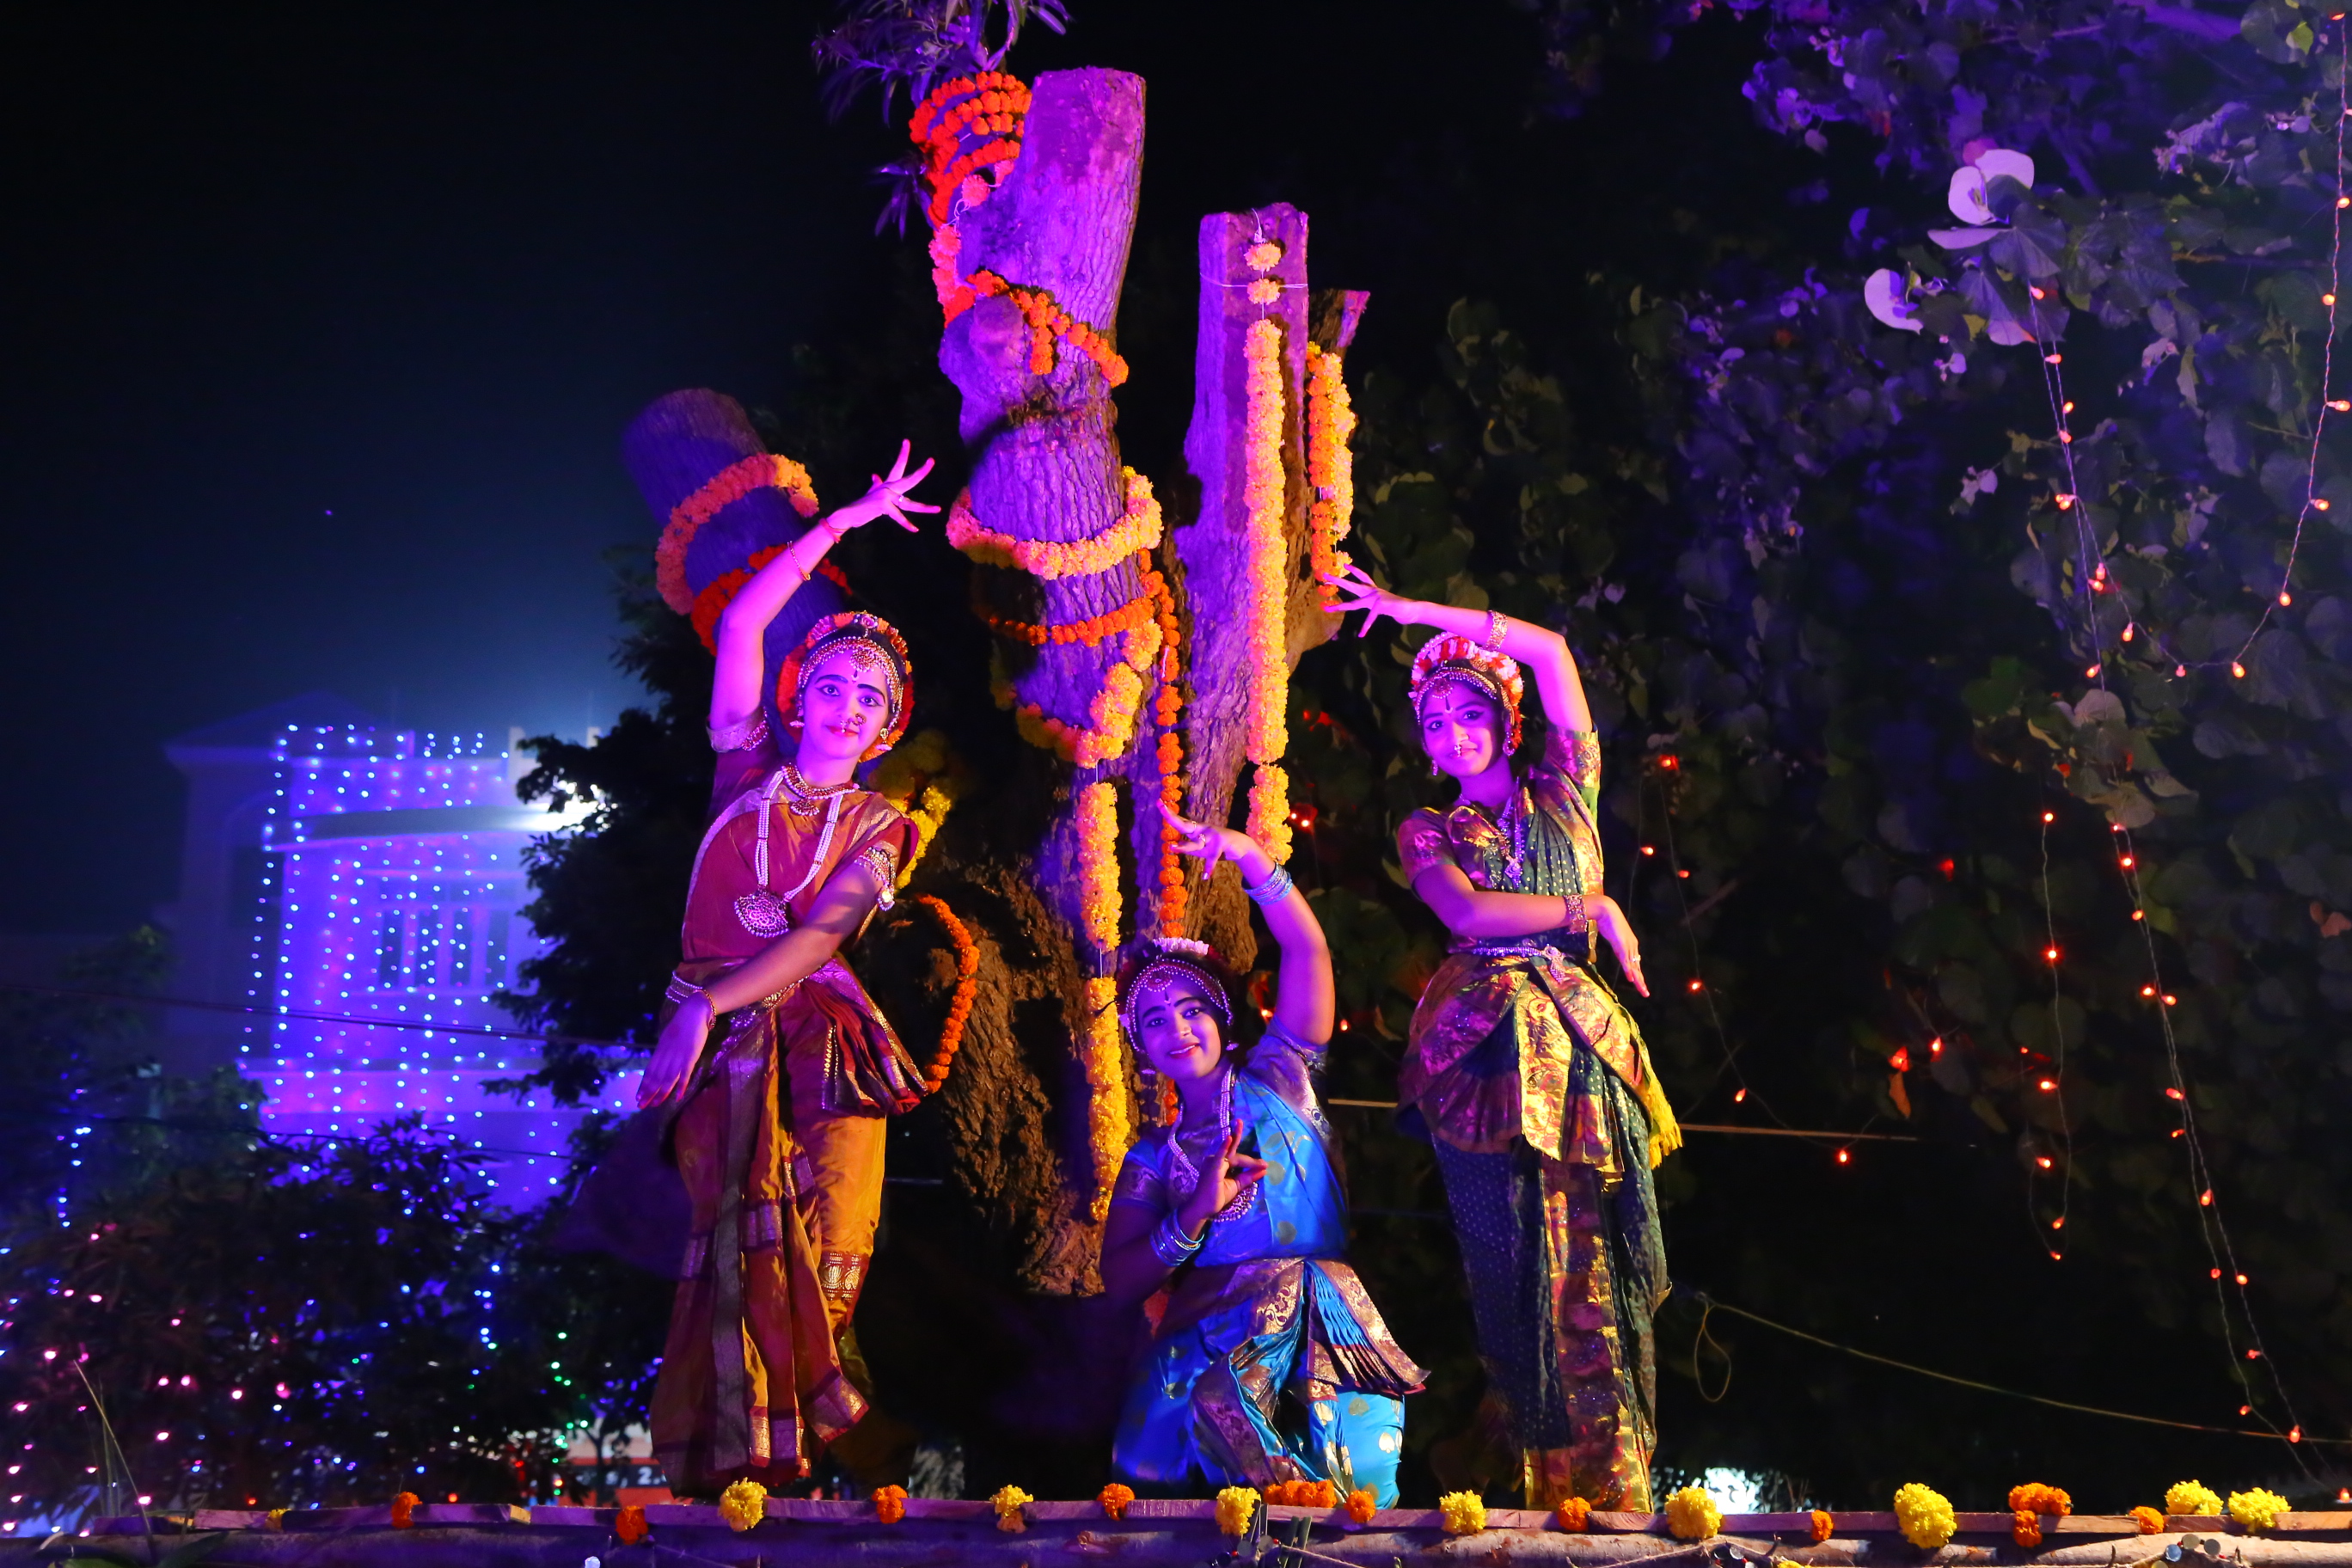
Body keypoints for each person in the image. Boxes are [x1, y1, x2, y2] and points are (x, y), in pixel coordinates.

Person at [1321, 563, 1681, 1512]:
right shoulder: (1429, 827)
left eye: (1467, 713)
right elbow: (1469, 915)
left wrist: (1415, 616)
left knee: (1596, 1266)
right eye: (1434, 723)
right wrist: (1585, 904)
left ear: (1504, 721)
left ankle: (1615, 1481)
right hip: (1481, 1052)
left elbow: (1552, 653)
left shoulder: (1569, 789)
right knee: (1514, 1264)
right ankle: (1525, 1473)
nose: (1451, 733)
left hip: (1584, 1046)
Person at [635, 441, 939, 1495]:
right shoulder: (743, 764)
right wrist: (839, 526)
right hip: (719, 1045)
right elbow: (748, 624)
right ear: (800, 695)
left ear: (886, 725)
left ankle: (807, 1454)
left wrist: (705, 1003)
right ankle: (743, 1465)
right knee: (734, 1242)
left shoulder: (881, 823)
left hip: (825, 1034)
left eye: (874, 697)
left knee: (836, 1240)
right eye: (838, 685)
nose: (852, 705)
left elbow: (821, 938)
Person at [1103, 809, 1425, 1506]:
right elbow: (1121, 1279)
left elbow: (1308, 953)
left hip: (1318, 1319)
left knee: (1353, 1503)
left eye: (1191, 1010)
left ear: (1221, 1016)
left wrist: (1250, 857)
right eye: (1154, 1022)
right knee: (1188, 1461)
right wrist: (1192, 1214)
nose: (1177, 1031)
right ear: (1140, 1045)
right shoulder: (1155, 1156)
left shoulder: (1286, 1076)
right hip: (1210, 1335)